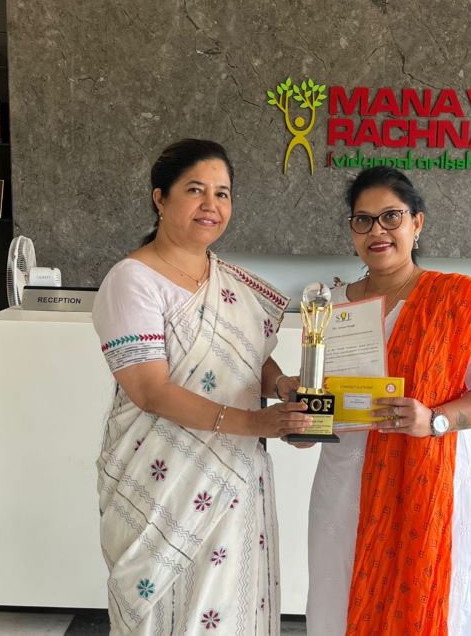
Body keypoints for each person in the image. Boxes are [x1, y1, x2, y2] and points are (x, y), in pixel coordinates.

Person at [92, 139, 310, 635]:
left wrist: (281, 386)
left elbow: (252, 357)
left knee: (232, 606)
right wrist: (254, 422)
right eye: (195, 190)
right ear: (160, 198)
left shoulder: (231, 283)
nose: (211, 205)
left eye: (222, 193)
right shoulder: (132, 280)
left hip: (236, 478)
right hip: (162, 482)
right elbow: (150, 390)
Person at [306, 167, 471, 636]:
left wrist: (436, 419)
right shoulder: (328, 306)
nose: (377, 231)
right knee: (339, 605)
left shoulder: (458, 300)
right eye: (363, 220)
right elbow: (320, 397)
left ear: (417, 223)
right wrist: (304, 423)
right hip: (345, 491)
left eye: (391, 216)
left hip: (434, 487)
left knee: (431, 603)